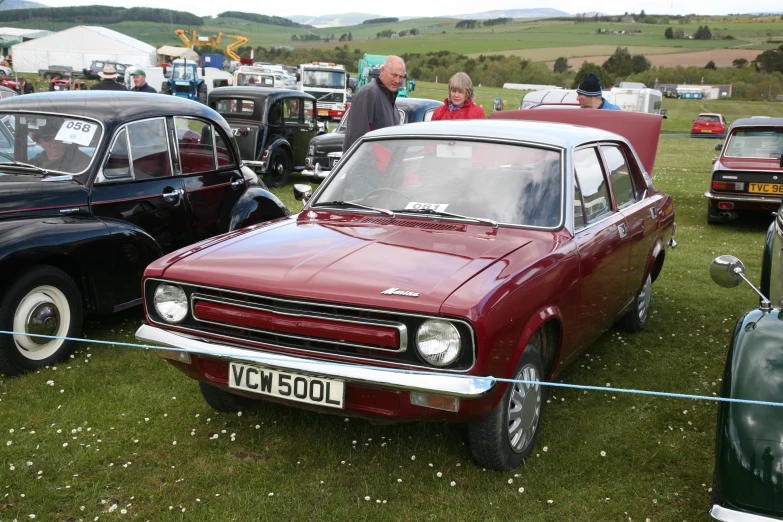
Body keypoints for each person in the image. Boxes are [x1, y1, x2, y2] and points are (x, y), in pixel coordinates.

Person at [342, 55, 406, 153]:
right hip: (366, 165)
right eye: (394, 75)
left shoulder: (390, 100)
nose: (397, 81)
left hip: (383, 166)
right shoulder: (369, 93)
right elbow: (357, 138)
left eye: (401, 77)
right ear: (383, 71)